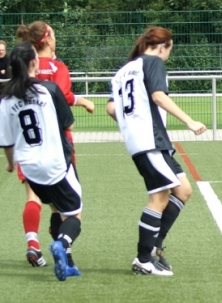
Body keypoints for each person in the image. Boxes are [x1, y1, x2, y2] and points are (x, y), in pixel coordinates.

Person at [107, 27, 207, 277]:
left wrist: (131, 123)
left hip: (147, 141)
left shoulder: (123, 70)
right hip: (149, 141)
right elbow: (159, 96)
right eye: (170, 49)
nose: (168, 55)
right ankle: (144, 259)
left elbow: (111, 108)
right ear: (163, 46)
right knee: (159, 199)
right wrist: (190, 121)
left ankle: (154, 245)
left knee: (183, 190)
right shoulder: (152, 62)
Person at [0, 42, 84, 281]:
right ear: (33, 62)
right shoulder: (48, 89)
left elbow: (6, 142)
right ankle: (62, 244)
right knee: (75, 216)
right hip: (56, 163)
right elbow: (68, 124)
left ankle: (67, 261)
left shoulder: (5, 99)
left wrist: (10, 163)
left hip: (29, 169)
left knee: (56, 208)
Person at [13, 22, 94, 268]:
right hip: (58, 148)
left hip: (27, 146)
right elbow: (63, 94)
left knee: (36, 199)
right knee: (71, 208)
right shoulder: (58, 67)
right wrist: (82, 101)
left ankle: (33, 244)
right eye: (55, 34)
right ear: (47, 39)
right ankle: (64, 248)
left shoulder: (23, 69)